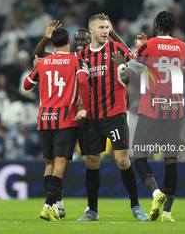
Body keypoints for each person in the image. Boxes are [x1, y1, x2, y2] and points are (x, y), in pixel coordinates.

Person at [114, 10, 185, 222]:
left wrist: (123, 63)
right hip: (174, 109)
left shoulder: (147, 46)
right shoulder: (183, 47)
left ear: (156, 25)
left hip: (151, 108)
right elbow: (184, 75)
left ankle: (156, 193)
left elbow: (128, 77)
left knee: (139, 157)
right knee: (171, 159)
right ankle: (167, 213)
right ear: (173, 26)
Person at [76, 14, 148, 222]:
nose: (105, 31)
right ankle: (92, 211)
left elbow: (137, 65)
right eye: (101, 27)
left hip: (114, 113)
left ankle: (136, 206)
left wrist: (139, 51)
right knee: (92, 161)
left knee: (122, 160)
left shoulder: (115, 48)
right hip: (92, 117)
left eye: (107, 27)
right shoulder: (83, 55)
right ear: (91, 30)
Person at [23, 27, 90, 222]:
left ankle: (56, 205)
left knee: (49, 165)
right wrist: (84, 107)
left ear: (52, 44)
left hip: (44, 119)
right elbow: (84, 83)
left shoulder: (43, 62)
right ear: (69, 41)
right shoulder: (76, 61)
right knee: (61, 165)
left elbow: (27, 85)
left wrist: (37, 67)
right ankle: (47, 206)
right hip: (65, 119)